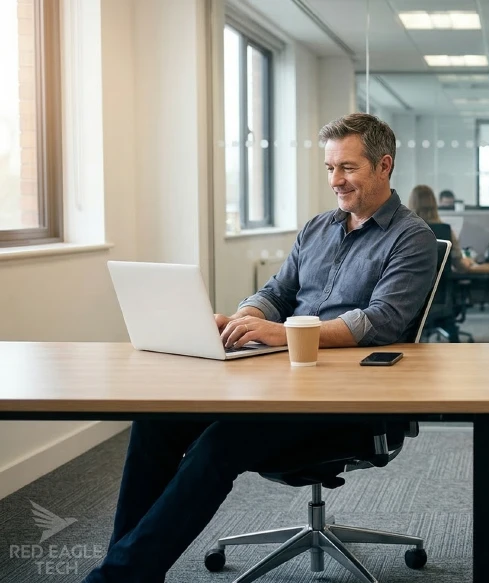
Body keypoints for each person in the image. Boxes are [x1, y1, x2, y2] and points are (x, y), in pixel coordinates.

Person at [84, 113, 438, 583]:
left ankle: (118, 577)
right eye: (330, 168)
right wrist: (246, 316)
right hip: (279, 381)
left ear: (383, 166)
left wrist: (288, 332)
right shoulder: (317, 229)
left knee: (222, 442)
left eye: (348, 168)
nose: (336, 180)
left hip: (345, 397)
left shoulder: (411, 237)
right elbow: (275, 293)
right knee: (156, 420)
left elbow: (381, 320)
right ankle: (129, 569)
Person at [408, 184, 474, 270]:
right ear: (434, 204)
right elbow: (459, 265)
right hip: (442, 283)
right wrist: (469, 261)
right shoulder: (445, 230)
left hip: (414, 282)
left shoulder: (405, 230)